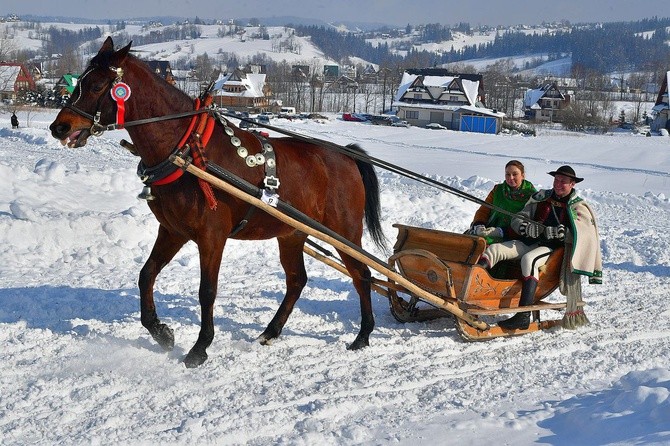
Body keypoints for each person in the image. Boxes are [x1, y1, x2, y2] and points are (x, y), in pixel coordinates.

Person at [478, 165, 602, 330]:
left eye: (563, 182)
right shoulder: (541, 197)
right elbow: (518, 218)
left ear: (572, 184)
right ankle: (473, 283)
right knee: (495, 250)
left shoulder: (578, 207)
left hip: (552, 250)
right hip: (530, 242)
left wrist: (564, 234)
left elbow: (586, 235)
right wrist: (525, 227)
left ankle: (523, 315)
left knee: (529, 260)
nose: (557, 184)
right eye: (556, 180)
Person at [468, 160, 536, 245]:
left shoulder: (532, 196)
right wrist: (479, 224)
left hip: (511, 236)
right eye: (507, 174)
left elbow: (529, 223)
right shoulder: (497, 190)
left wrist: (500, 232)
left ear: (523, 175)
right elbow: (484, 210)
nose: (510, 178)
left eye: (515, 174)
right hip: (487, 229)